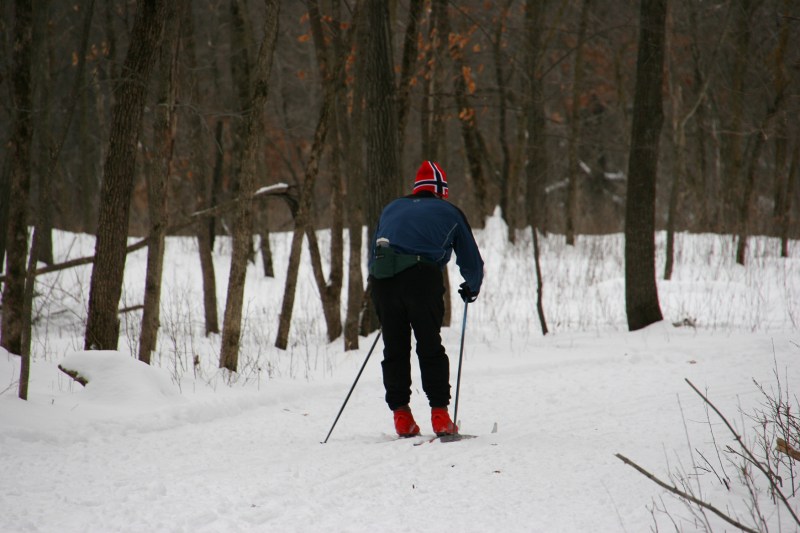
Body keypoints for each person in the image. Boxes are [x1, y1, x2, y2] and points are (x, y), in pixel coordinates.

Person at [368, 161, 484, 437]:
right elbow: (471, 260)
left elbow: (373, 250)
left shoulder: (391, 208)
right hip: (422, 277)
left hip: (383, 280)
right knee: (429, 345)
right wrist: (472, 286)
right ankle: (440, 416)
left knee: (394, 348)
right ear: (441, 190)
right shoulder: (449, 211)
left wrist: (379, 290)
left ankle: (402, 417)